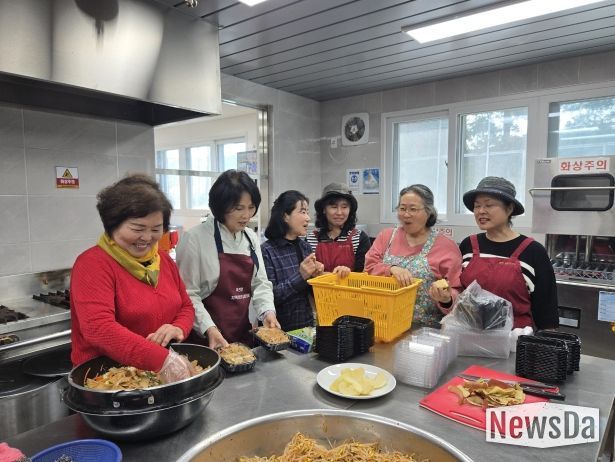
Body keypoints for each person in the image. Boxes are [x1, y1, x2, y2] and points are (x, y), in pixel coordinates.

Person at [70, 174, 196, 383]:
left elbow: (186, 306)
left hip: (160, 376)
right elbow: (99, 328)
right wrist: (162, 360)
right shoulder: (92, 264)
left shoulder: (163, 260)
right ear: (113, 225)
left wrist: (178, 327)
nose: (147, 238)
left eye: (156, 229)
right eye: (138, 229)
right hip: (108, 381)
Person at [176, 170, 280, 348]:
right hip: (205, 340)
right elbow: (188, 294)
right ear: (220, 206)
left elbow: (260, 283)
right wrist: (209, 329)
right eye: (239, 208)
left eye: (251, 207)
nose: (246, 215)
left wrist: (267, 311)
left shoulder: (250, 237)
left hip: (241, 336)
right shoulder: (195, 238)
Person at [446, 176, 558, 330]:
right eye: (477, 206)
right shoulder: (468, 245)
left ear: (509, 208)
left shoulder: (533, 251)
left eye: (489, 205)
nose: (481, 211)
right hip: (468, 335)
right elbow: (459, 294)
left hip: (513, 338)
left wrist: (546, 340)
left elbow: (546, 310)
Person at [365, 184, 463, 327]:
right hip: (382, 324)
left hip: (424, 329)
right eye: (402, 208)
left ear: (429, 212)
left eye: (413, 209)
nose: (406, 214)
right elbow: (368, 268)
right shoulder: (386, 237)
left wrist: (446, 299)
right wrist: (391, 269)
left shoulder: (446, 246)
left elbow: (457, 291)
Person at [261, 191, 324, 331]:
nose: (308, 218)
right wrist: (300, 276)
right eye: (302, 212)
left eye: (307, 212)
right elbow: (269, 297)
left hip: (306, 327)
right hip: (278, 330)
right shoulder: (267, 250)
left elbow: (311, 294)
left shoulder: (305, 247)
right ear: (285, 216)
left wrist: (317, 277)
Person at [306, 182, 371, 278]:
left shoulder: (359, 238)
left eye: (344, 207)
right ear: (324, 209)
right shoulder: (311, 239)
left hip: (350, 287)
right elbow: (306, 275)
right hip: (318, 288)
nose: (339, 212)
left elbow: (363, 275)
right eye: (334, 207)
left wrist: (348, 273)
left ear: (350, 210)